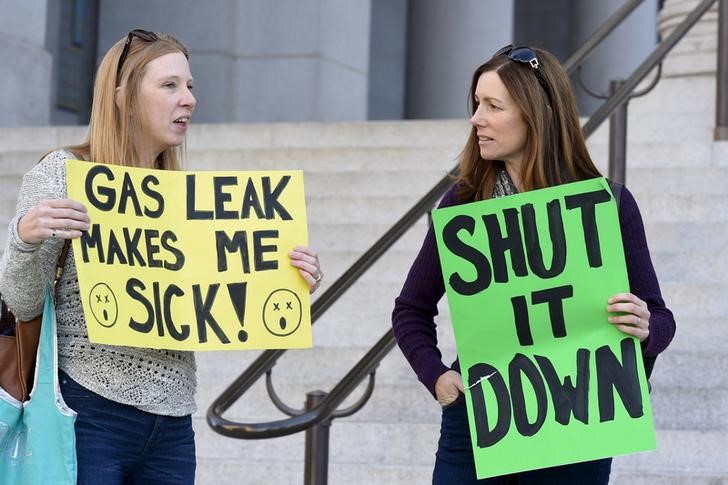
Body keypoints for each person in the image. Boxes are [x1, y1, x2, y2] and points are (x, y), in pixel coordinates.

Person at [0, 29, 323, 484]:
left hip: (172, 422)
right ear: (124, 97)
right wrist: (25, 237)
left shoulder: (186, 198)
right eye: (170, 85)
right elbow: (22, 301)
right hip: (87, 412)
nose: (188, 99)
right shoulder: (63, 173)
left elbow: (219, 300)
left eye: (190, 86)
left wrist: (287, 276)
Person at [391, 45, 675, 484]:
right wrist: (436, 377)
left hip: (580, 425)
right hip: (479, 422)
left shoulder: (608, 205)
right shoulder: (465, 205)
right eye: (476, 104)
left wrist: (646, 327)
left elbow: (661, 320)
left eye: (492, 106)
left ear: (535, 114)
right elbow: (410, 308)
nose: (475, 118)